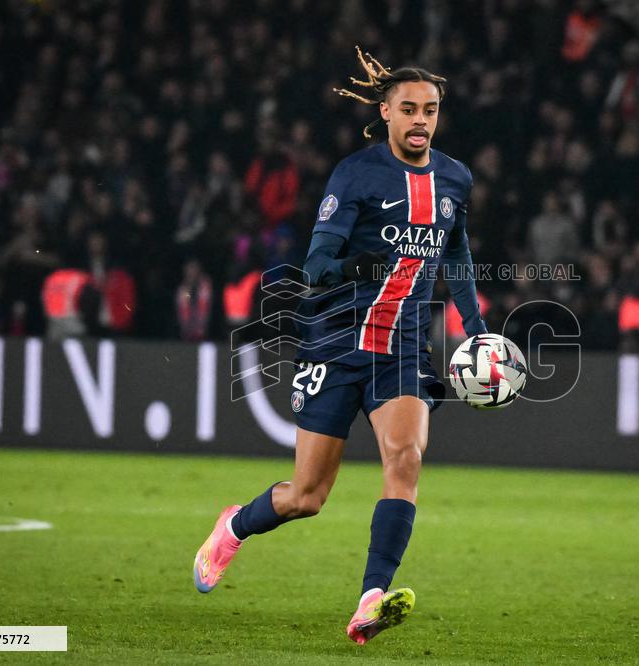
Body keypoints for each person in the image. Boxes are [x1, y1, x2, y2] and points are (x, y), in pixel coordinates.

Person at [192, 47, 487, 644]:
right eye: (408, 109)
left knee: (405, 459)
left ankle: (370, 598)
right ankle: (235, 525)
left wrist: (476, 328)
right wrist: (359, 265)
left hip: (401, 348)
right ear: (384, 113)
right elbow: (318, 259)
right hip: (334, 341)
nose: (421, 120)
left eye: (430, 109)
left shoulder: (455, 178)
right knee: (306, 496)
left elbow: (455, 253)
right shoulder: (356, 173)